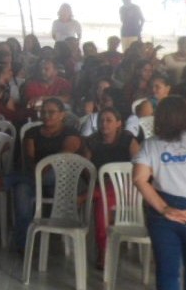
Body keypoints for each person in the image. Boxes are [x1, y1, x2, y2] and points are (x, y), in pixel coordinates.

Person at [133, 96, 186, 290]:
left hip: (166, 215)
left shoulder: (151, 145)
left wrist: (164, 209)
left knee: (168, 275)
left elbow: (139, 179)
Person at [8, 98, 82, 250]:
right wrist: (39, 172)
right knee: (21, 189)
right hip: (35, 177)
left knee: (51, 174)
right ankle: (24, 242)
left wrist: (43, 169)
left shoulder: (71, 133)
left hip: (60, 181)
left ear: (62, 115)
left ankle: (11, 179)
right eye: (43, 112)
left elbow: (63, 157)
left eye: (51, 112)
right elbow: (29, 159)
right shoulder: (32, 132)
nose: (46, 115)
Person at [83, 107, 139, 269]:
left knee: (104, 195)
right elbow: (86, 168)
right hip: (100, 185)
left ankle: (103, 251)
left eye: (109, 120)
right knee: (103, 203)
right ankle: (103, 250)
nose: (104, 124)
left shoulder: (128, 140)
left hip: (126, 187)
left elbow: (138, 167)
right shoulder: (92, 141)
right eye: (101, 120)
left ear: (118, 123)